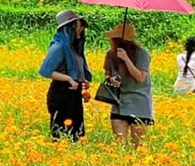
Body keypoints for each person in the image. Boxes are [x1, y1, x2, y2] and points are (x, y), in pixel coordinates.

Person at [98, 20, 153, 147]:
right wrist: (111, 79)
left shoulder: (141, 53)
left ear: (120, 41)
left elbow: (140, 77)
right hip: (119, 101)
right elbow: (107, 74)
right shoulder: (110, 54)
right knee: (119, 144)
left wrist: (126, 59)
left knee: (138, 145)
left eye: (113, 39)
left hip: (139, 103)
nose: (110, 41)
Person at [38, 11, 90, 141]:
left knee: (76, 135)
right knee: (61, 136)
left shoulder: (73, 47)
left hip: (74, 95)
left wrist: (82, 80)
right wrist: (68, 79)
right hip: (61, 95)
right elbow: (46, 70)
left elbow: (76, 69)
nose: (82, 29)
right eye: (79, 25)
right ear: (70, 27)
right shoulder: (59, 46)